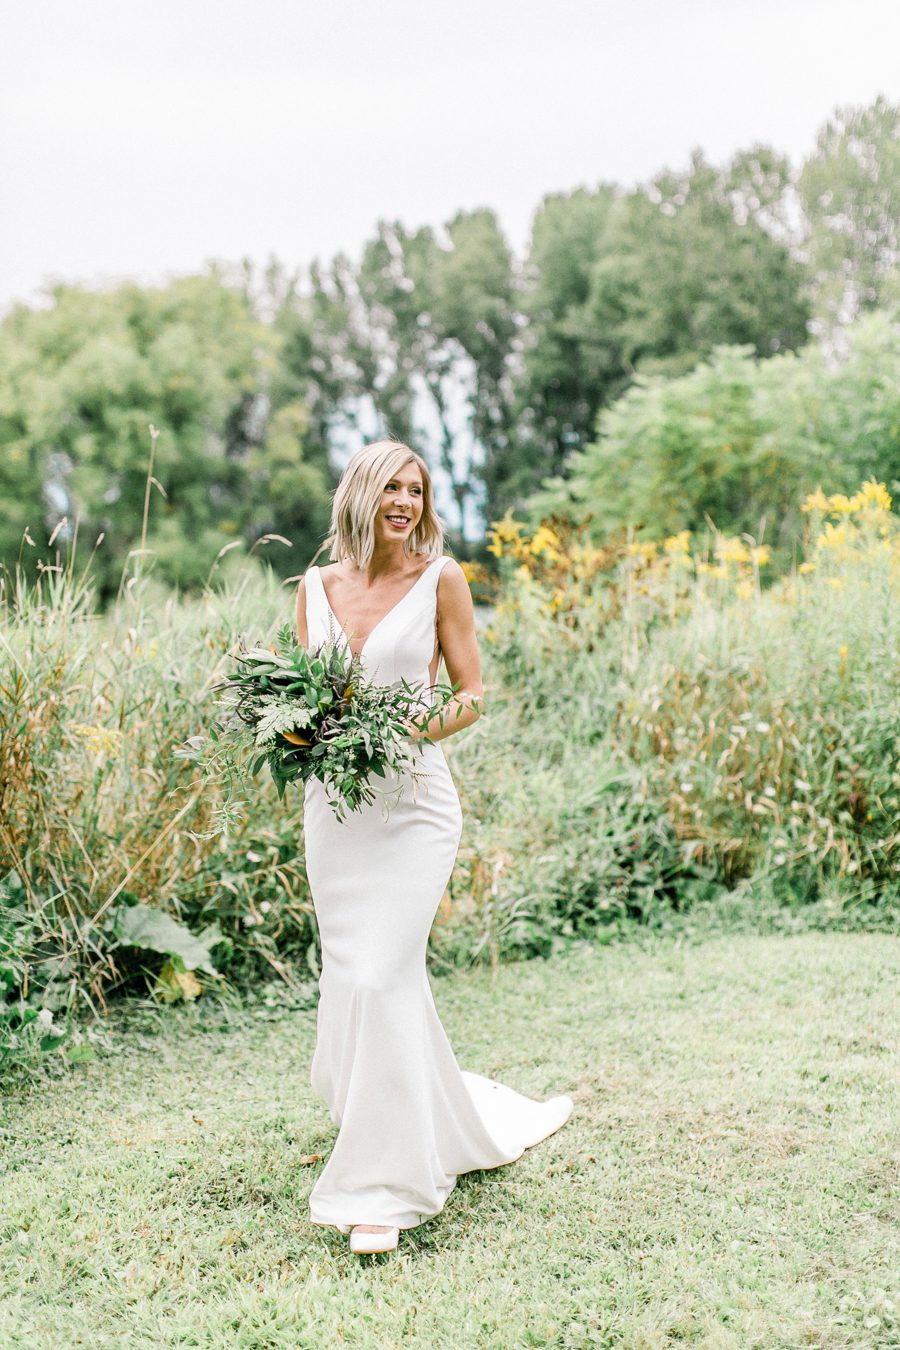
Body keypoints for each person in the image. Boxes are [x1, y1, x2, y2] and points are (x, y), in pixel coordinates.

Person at [294, 439, 574, 1255]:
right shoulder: (315, 589)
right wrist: (299, 732)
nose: (406, 502)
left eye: (416, 490)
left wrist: (405, 729)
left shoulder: (440, 578)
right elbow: (303, 699)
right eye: (392, 486)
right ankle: (402, 1117)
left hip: (413, 804)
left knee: (383, 971)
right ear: (362, 492)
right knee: (357, 975)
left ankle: (387, 1187)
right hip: (335, 812)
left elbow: (473, 696)